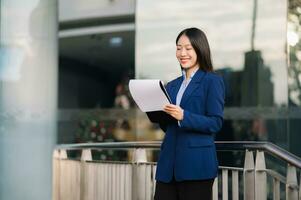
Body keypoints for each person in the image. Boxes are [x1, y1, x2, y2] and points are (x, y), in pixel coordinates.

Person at [154, 27, 225, 200]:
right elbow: (169, 126)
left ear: (200, 49)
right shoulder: (171, 85)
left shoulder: (212, 81)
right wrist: (157, 114)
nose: (182, 53)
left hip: (197, 167)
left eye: (188, 48)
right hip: (168, 167)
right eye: (179, 48)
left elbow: (215, 122)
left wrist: (184, 116)